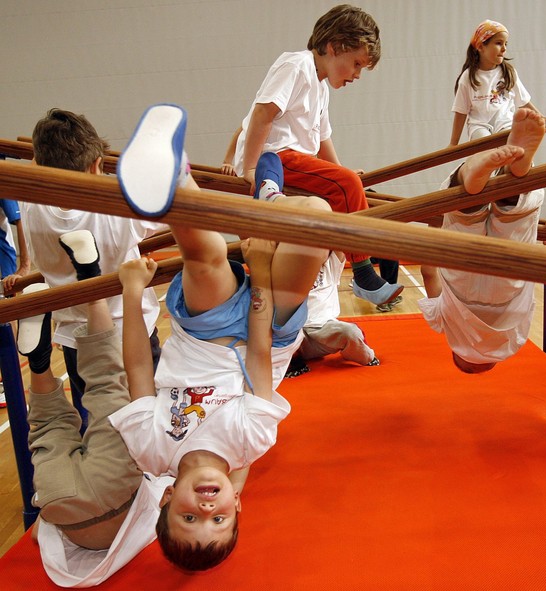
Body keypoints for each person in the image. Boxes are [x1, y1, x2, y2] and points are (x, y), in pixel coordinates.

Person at [110, 104, 330, 571]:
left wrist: (132, 293)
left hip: (203, 329)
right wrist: (263, 273)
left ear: (166, 496)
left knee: (205, 255)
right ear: (237, 504)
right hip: (268, 328)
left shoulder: (151, 449)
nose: (206, 511)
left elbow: (137, 368)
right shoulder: (251, 441)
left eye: (189, 516)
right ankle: (268, 201)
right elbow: (259, 355)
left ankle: (175, 173)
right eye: (219, 520)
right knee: (316, 216)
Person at [19, 232, 173, 588]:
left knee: (106, 384)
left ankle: (91, 277)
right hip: (60, 506)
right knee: (47, 426)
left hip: (115, 491)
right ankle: (40, 365)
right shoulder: (77, 566)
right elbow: (35, 537)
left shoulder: (157, 531)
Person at [231, 4, 403, 307]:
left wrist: (339, 171)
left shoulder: (321, 87)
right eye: (356, 64)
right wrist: (251, 166)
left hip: (292, 161)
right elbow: (262, 113)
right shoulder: (296, 66)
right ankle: (363, 273)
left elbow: (322, 139)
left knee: (354, 188)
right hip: (274, 159)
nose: (358, 75)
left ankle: (367, 264)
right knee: (348, 185)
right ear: (333, 47)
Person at [20, 108, 166, 428]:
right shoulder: (118, 206)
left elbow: (38, 167)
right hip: (133, 330)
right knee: (148, 418)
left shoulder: (29, 203)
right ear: (96, 166)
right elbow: (169, 204)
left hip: (76, 339)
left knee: (101, 422)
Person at [419, 107, 546, 373]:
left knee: (515, 225)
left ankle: (515, 178)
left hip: (506, 289)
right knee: (462, 220)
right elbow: (428, 272)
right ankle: (470, 179)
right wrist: (435, 237)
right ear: (455, 351)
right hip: (461, 284)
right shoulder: (444, 325)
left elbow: (529, 305)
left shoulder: (513, 340)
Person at [286, 250, 379, 378]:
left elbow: (340, 241)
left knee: (351, 331)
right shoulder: (286, 266)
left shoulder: (330, 266)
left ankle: (366, 356)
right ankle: (292, 362)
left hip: (324, 331)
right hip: (292, 336)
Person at [450, 19, 538, 146]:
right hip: (479, 125)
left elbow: (523, 101)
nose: (504, 49)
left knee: (509, 140)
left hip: (505, 122)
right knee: (484, 143)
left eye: (505, 44)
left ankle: (516, 157)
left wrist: (541, 119)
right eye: (498, 43)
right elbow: (461, 111)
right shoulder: (468, 77)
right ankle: (492, 159)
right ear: (480, 46)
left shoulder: (508, 72)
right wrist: (453, 143)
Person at [0, 198, 31, 407]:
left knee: (5, 319)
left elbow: (20, 219)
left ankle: (8, 382)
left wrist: (25, 265)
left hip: (2, 261)